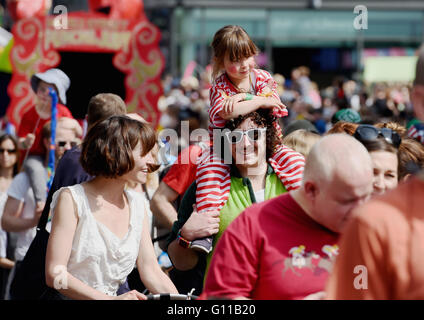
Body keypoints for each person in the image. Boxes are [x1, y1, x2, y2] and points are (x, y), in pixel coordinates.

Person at [200, 134, 374, 300]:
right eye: (347, 201)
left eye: (367, 197)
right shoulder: (254, 225)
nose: (361, 210)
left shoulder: (374, 227)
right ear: (311, 190)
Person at [193, 25, 304, 253]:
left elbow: (275, 104)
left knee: (295, 162)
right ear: (220, 61)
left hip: (269, 144)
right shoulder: (219, 86)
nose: (244, 64)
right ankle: (206, 230)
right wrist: (259, 101)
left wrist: (244, 97)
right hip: (225, 149)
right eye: (235, 59)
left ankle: (307, 210)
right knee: (208, 170)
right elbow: (227, 113)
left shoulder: (264, 77)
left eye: (247, 56)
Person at [325, 47, 424, 299]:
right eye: (373, 172)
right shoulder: (374, 223)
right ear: (419, 100)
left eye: (388, 175)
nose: (380, 183)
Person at [44, 116, 178, 300]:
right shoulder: (72, 198)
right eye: (145, 153)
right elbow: (55, 275)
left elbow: (151, 270)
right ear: (119, 151)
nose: (153, 161)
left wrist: (183, 303)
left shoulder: (137, 204)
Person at [166, 110, 294, 295]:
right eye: (234, 137)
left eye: (254, 134)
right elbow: (182, 263)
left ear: (269, 135)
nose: (245, 143)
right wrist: (186, 236)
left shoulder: (292, 181)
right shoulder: (206, 186)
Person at [1, 118, 80, 299]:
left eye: (72, 143)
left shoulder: (81, 178)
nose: (67, 147)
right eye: (61, 143)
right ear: (47, 142)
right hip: (29, 262)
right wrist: (34, 220)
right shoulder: (26, 178)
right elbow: (6, 220)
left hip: (66, 269)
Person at [17, 68, 73, 217]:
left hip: (57, 155)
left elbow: (74, 132)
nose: (45, 94)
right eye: (42, 89)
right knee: (35, 168)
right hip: (35, 155)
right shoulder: (29, 114)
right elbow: (20, 142)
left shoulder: (63, 112)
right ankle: (42, 202)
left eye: (50, 90)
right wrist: (26, 142)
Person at [0, 134, 19, 299]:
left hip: (16, 244)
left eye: (10, 150)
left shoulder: (21, 182)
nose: (5, 155)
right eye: (1, 150)